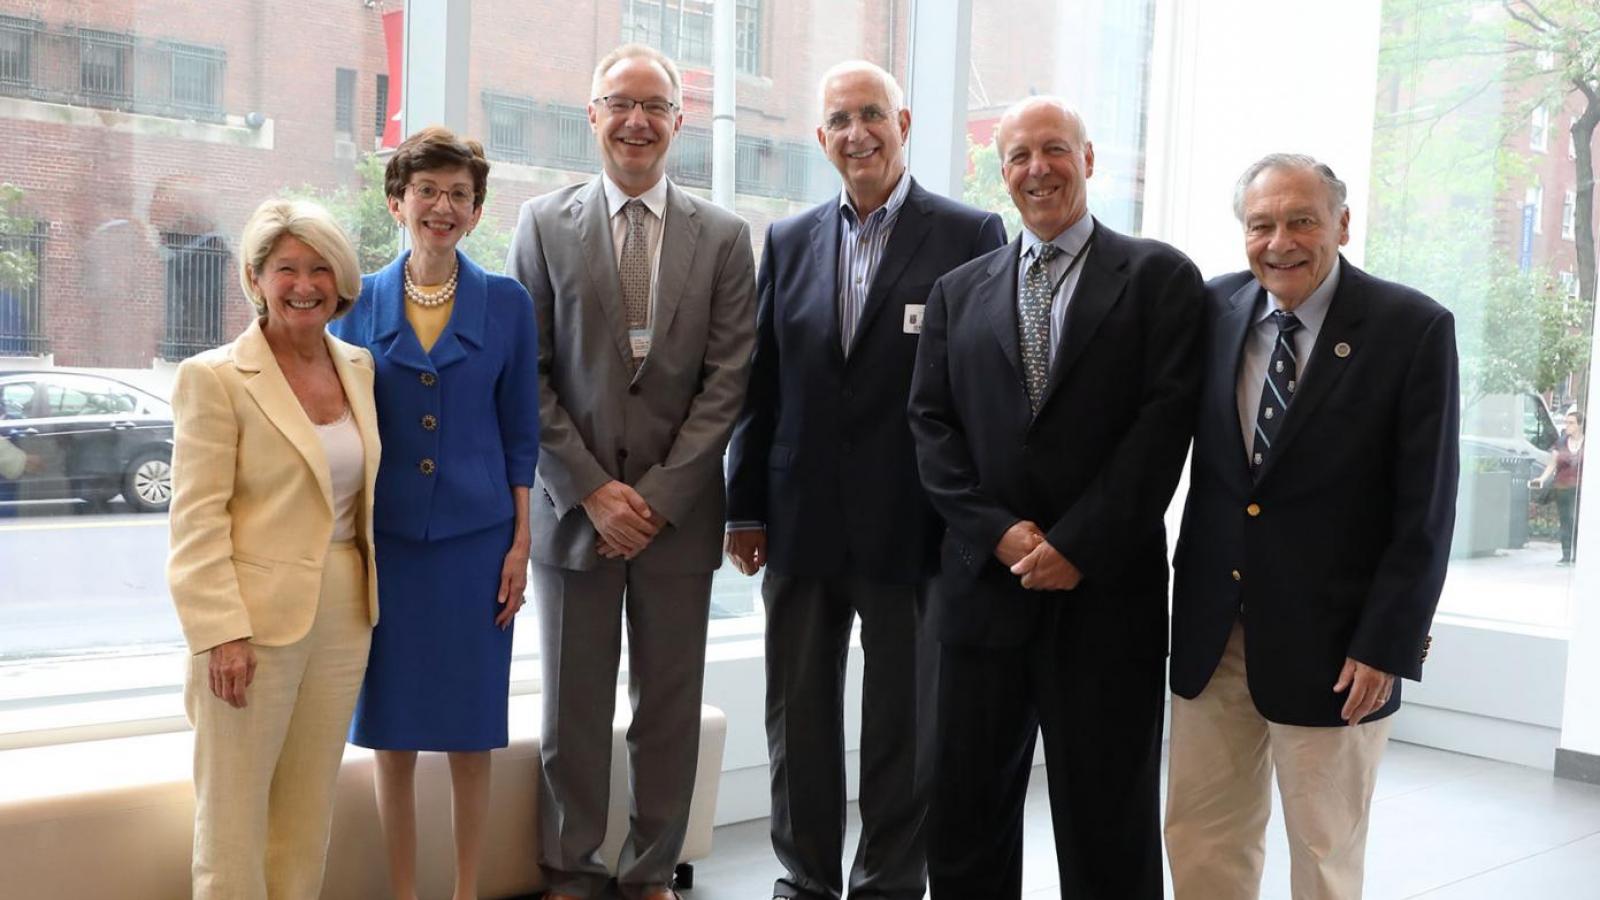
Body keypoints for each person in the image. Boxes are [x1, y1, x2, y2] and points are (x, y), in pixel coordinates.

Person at [906, 97, 1202, 899]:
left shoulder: (1159, 278)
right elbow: (932, 430)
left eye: (1054, 150)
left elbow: (1161, 430)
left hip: (1106, 598)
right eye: (1018, 157)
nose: (1037, 169)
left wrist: (1078, 546)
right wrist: (1000, 535)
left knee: (1109, 815)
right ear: (1000, 173)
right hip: (982, 592)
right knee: (965, 816)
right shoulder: (959, 290)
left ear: (1089, 157)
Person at [723, 60, 1005, 900]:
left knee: (903, 725)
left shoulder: (969, 233)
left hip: (914, 526)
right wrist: (744, 509)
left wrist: (972, 521)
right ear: (821, 138)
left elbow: (980, 396)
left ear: (905, 123)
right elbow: (761, 384)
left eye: (872, 115)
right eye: (841, 119)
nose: (858, 133)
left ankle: (887, 882)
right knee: (797, 719)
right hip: (801, 520)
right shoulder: (788, 238)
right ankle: (804, 878)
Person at [1164, 154, 1459, 900]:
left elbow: (1425, 507)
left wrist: (1386, 642)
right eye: (1261, 224)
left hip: (1337, 649)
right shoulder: (1212, 310)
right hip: (1213, 635)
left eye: (1302, 220)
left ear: (1343, 224)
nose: (1280, 241)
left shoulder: (1411, 328)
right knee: (1202, 838)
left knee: (1324, 856)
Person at [505, 43, 756, 900]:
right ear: (593, 115)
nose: (637, 120)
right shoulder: (541, 225)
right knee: (571, 714)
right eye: (620, 102)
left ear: (680, 121)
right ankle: (571, 869)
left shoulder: (723, 237)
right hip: (573, 515)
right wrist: (590, 491)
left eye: (655, 105)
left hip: (676, 521)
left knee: (668, 711)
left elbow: (728, 383)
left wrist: (653, 499)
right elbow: (526, 373)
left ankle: (651, 870)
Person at [329, 126, 540, 900]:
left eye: (459, 195)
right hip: (386, 550)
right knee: (391, 733)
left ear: (477, 212)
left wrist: (520, 544)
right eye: (428, 191)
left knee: (470, 730)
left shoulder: (508, 304)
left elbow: (523, 434)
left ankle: (465, 890)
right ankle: (404, 891)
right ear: (398, 202)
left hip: (476, 548)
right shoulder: (356, 305)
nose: (442, 207)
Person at [167, 198, 380, 900]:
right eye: (286, 268)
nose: (304, 284)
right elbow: (196, 522)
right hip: (248, 627)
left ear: (341, 280)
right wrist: (221, 633)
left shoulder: (358, 367)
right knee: (231, 820)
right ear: (255, 278)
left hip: (344, 615)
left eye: (320, 268)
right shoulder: (214, 378)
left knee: (305, 813)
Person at [1533, 410, 1584, 565]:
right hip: (1562, 487)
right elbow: (1552, 464)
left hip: (1581, 488)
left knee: (1578, 521)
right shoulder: (1561, 442)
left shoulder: (1589, 441)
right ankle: (1566, 555)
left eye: (1571, 423)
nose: (1567, 426)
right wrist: (1541, 478)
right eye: (1566, 422)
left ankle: (1579, 555)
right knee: (1566, 520)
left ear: (1580, 425)